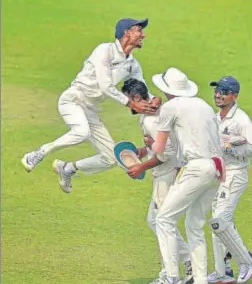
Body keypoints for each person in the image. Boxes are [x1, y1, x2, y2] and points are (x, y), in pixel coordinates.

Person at [143, 68, 252, 284]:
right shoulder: (204, 106)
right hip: (217, 169)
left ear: (167, 90)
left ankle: (172, 282)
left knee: (163, 219)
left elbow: (161, 150)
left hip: (197, 167)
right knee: (195, 225)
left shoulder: (169, 108)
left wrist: (147, 148)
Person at [21, 18, 156, 193]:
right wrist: (130, 103)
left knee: (110, 158)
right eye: (139, 30)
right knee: (81, 132)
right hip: (73, 100)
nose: (143, 35)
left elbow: (143, 89)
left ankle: (68, 168)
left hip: (91, 109)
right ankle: (38, 153)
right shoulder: (104, 50)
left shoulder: (132, 64)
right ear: (126, 32)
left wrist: (155, 102)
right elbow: (105, 86)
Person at [119, 78, 193, 284]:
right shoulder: (149, 113)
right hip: (163, 172)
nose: (127, 106)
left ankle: (176, 272)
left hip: (168, 173)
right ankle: (181, 267)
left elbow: (167, 153)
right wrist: (143, 152)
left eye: (128, 101)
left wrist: (141, 167)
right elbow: (160, 145)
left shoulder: (152, 120)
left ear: (136, 98)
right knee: (155, 221)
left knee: (162, 223)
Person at [207, 76, 252, 284]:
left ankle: (247, 259)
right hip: (218, 173)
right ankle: (223, 270)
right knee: (218, 222)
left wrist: (231, 148)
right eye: (217, 91)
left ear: (234, 96)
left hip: (235, 173)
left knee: (220, 220)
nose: (218, 95)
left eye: (224, 92)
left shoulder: (241, 119)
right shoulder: (215, 117)